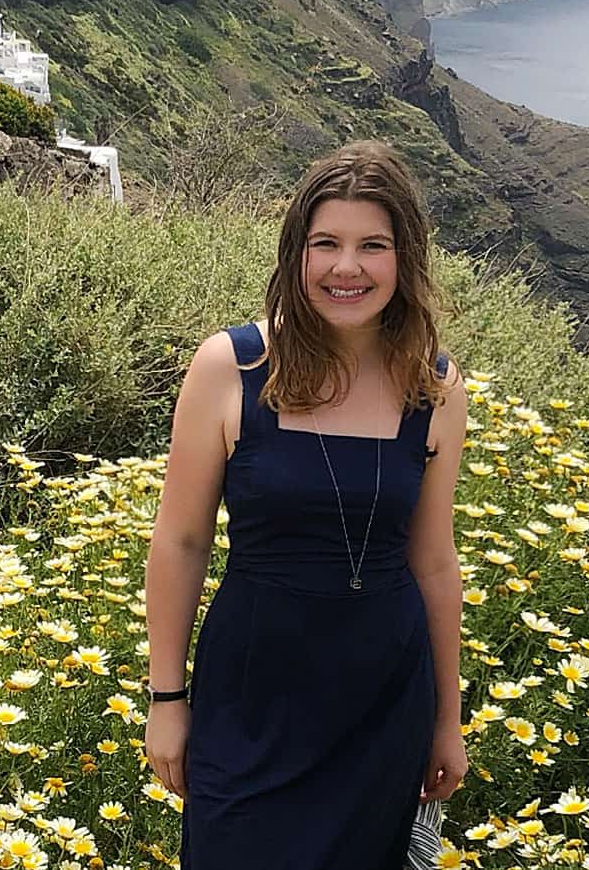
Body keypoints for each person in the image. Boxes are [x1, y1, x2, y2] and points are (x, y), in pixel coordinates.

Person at [143, 141, 468, 869]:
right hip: (250, 700)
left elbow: (436, 565)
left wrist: (447, 721)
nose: (346, 267)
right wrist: (168, 699)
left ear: (403, 259)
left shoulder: (435, 387)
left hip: (383, 707)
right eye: (326, 243)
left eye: (372, 246)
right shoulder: (231, 367)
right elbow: (181, 542)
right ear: (297, 253)